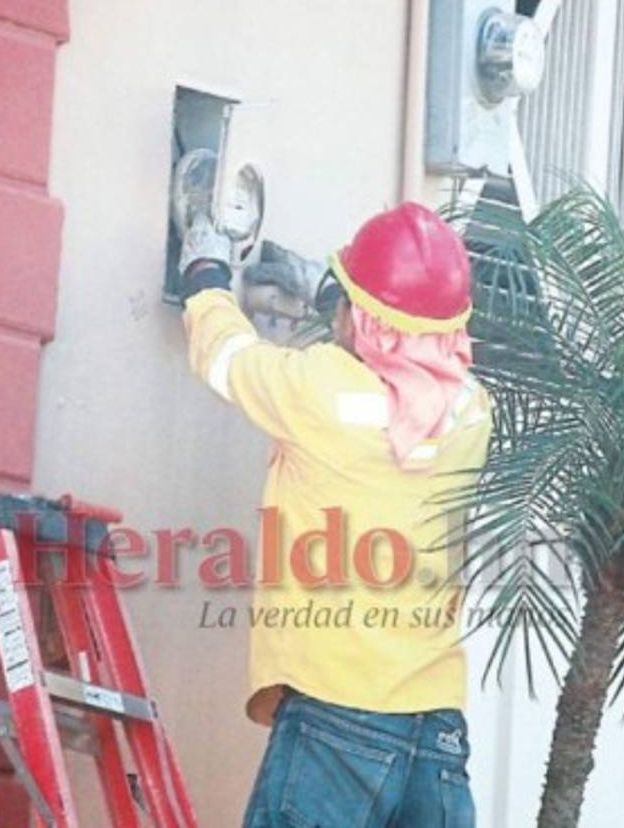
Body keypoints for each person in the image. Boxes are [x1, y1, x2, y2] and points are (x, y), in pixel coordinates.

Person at [179, 203, 493, 828]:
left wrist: (205, 274)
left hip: (337, 720)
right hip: (436, 732)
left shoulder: (319, 390)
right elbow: (403, 375)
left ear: (363, 320)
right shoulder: (473, 413)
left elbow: (229, 358)